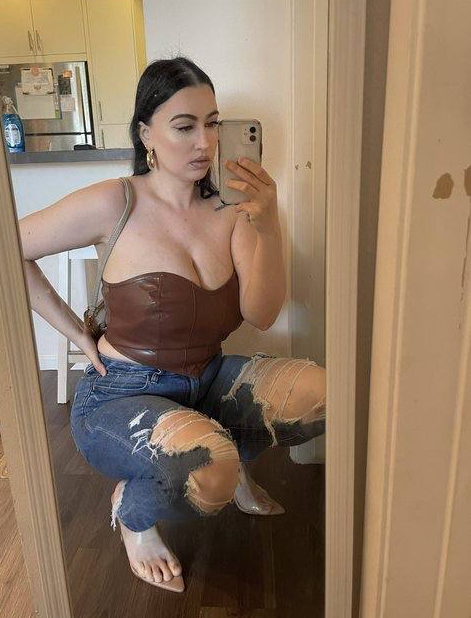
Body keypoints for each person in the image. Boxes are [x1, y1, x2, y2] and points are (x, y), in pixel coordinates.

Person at [20, 56, 326, 594]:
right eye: (184, 126)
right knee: (208, 471)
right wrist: (74, 333)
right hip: (121, 394)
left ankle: (224, 452)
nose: (204, 143)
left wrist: (269, 223)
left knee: (322, 395)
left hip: (207, 380)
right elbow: (8, 247)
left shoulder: (231, 209)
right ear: (147, 135)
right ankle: (134, 513)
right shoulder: (115, 201)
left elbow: (262, 314)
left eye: (212, 123)